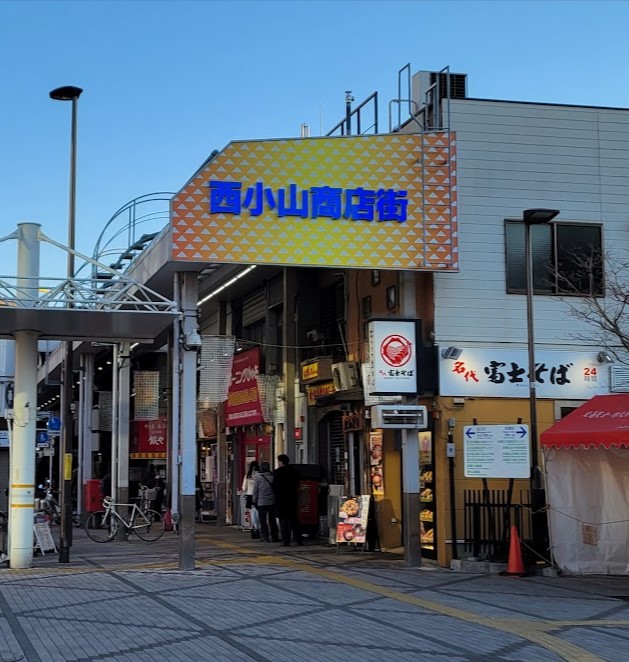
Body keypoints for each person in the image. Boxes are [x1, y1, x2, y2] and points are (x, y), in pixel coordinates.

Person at [273, 454, 302, 546]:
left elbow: (275, 486)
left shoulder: (278, 472)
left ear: (281, 462)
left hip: (281, 499)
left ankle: (286, 540)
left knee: (283, 521)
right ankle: (298, 539)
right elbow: (298, 483)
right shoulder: (294, 471)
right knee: (294, 520)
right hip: (292, 498)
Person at [251, 462, 279, 543]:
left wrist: (254, 501)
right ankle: (275, 536)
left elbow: (255, 490)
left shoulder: (258, 477)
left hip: (261, 502)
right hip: (272, 501)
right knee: (272, 520)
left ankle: (265, 537)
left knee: (263, 520)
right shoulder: (273, 476)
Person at [242, 461, 261, 535]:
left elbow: (244, 487)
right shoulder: (260, 475)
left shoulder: (248, 475)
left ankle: (255, 526)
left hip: (250, 495)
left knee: (252, 511)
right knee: (258, 511)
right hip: (259, 495)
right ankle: (259, 526)